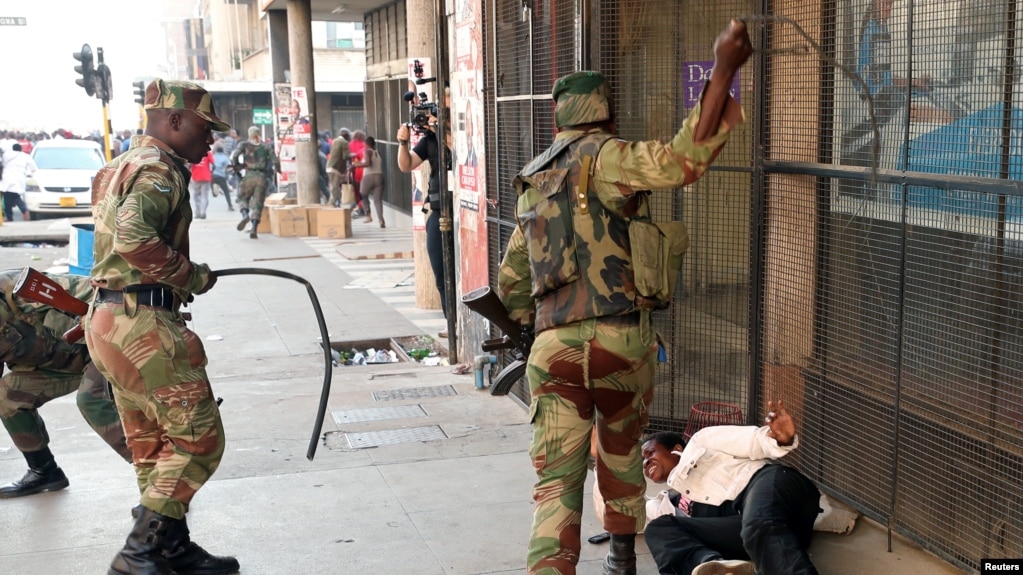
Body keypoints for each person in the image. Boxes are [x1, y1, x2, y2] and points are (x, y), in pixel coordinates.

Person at [494, 20, 752, 575]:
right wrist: (725, 68)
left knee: (555, 487)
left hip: (553, 350)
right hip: (620, 343)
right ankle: (620, 562)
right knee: (620, 457)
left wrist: (525, 329)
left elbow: (511, 286)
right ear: (606, 115)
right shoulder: (610, 157)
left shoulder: (532, 185)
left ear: (560, 120)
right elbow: (685, 159)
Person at [84, 78, 237, 575]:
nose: (209, 138)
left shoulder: (118, 166)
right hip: (143, 323)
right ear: (173, 120)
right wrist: (189, 275)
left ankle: (171, 550)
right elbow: (131, 238)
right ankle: (137, 554)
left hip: (109, 318)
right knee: (198, 441)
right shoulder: (159, 169)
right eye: (203, 126)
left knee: (152, 446)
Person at [641, 401, 821, 575]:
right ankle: (712, 567)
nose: (646, 461)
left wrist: (780, 440)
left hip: (770, 486)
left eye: (650, 453)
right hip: (758, 536)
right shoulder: (671, 503)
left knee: (758, 522)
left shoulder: (701, 441)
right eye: (642, 461)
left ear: (676, 448)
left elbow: (752, 441)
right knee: (658, 528)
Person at [0, 270, 132, 499]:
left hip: (104, 350)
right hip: (61, 367)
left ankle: (160, 483)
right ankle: (44, 471)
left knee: (91, 400)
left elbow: (108, 297)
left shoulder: (23, 288)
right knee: (6, 397)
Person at [396, 113, 452, 337]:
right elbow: (406, 164)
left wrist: (441, 128)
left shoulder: (456, 132)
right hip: (437, 212)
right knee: (440, 272)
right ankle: (451, 322)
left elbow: (457, 151)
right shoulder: (430, 140)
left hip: (462, 211)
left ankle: (462, 320)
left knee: (458, 273)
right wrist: (402, 142)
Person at [231, 126, 280, 239]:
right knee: (258, 204)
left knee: (242, 198)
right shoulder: (266, 146)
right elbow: (275, 161)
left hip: (249, 176)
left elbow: (234, 156)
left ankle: (244, 215)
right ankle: (254, 228)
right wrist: (278, 171)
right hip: (262, 177)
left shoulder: (244, 144)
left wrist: (236, 167)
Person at [352, 136, 385, 227]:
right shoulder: (378, 152)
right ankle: (381, 220)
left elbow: (368, 163)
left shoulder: (367, 152)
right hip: (379, 176)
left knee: (362, 194)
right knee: (378, 200)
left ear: (366, 144)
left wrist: (355, 165)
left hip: (369, 177)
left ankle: (368, 215)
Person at [0, 143, 36, 221]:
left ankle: (11, 216)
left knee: (8, 198)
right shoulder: (26, 156)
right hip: (19, 178)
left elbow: (1, 163)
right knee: (14, 196)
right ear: (21, 149)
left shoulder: (6, 155)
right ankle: (23, 211)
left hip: (7, 178)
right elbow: (33, 168)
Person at [326, 128, 352, 207]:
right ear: (346, 136)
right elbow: (346, 156)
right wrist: (353, 155)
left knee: (334, 187)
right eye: (349, 137)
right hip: (336, 168)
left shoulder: (335, 140)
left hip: (330, 167)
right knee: (336, 188)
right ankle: (331, 205)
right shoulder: (344, 142)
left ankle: (336, 204)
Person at [189, 151, 214, 219]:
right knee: (204, 195)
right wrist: (211, 172)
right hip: (206, 177)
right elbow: (213, 164)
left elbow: (189, 165)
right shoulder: (208, 152)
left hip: (196, 177)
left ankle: (198, 213)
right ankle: (203, 212)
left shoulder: (193, 152)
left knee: (196, 195)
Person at [211, 144, 235, 211]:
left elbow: (210, 166)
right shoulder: (225, 157)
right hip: (221, 176)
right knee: (226, 191)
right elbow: (229, 167)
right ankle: (230, 206)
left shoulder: (213, 157)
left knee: (214, 193)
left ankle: (215, 191)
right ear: (222, 151)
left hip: (213, 175)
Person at [349, 130, 367, 216]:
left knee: (357, 191)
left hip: (355, 171)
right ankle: (363, 208)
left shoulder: (350, 144)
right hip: (364, 170)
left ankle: (360, 206)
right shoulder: (364, 145)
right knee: (363, 191)